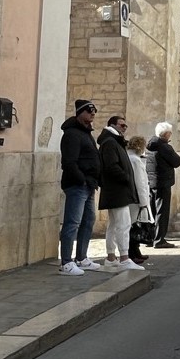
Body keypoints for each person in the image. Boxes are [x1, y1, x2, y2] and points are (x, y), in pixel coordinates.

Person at [58, 99, 102, 276]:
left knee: (88, 221)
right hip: (77, 185)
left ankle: (81, 258)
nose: (92, 114)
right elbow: (69, 162)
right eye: (89, 111)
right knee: (72, 223)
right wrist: (82, 180)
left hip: (89, 185)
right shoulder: (72, 134)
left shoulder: (86, 133)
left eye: (94, 112)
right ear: (80, 113)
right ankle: (66, 262)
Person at [98, 115, 143, 271]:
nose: (124, 128)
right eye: (122, 125)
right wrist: (126, 178)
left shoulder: (113, 141)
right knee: (123, 225)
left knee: (114, 225)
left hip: (115, 190)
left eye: (126, 125)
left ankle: (111, 257)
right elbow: (111, 166)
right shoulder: (110, 142)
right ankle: (124, 258)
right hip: (117, 190)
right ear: (113, 125)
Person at [147, 121, 180, 249]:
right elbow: (177, 161)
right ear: (166, 134)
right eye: (170, 133)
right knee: (162, 211)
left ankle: (151, 237)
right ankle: (159, 239)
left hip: (151, 182)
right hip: (162, 182)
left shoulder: (150, 144)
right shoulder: (164, 147)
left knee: (152, 210)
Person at [126, 135, 152, 266]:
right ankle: (132, 253)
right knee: (134, 227)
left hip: (132, 197)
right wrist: (144, 202)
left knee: (133, 226)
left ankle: (135, 251)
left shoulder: (130, 158)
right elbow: (140, 182)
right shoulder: (135, 160)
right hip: (136, 198)